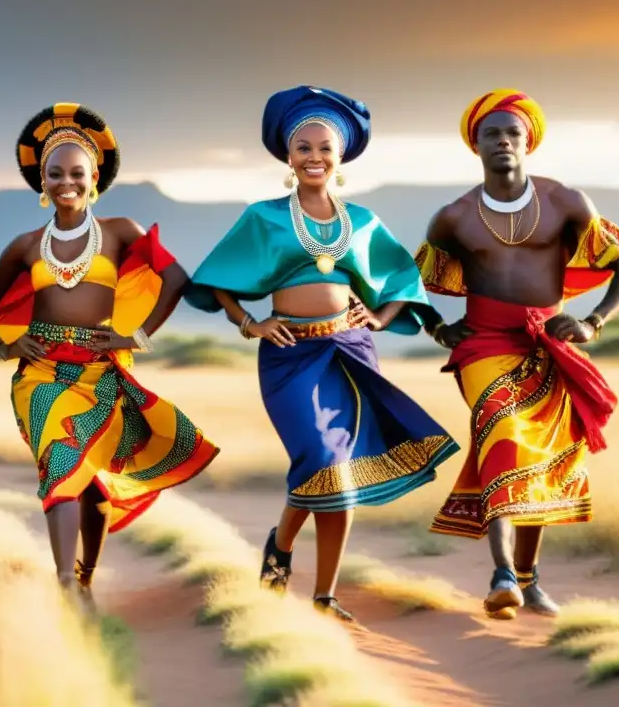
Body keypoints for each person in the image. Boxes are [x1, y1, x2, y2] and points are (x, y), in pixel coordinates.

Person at [183, 86, 461, 622]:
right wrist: (250, 323)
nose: (314, 157)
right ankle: (281, 544)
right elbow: (217, 277)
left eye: (324, 148)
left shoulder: (363, 220)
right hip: (290, 357)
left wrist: (378, 318)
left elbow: (400, 276)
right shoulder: (264, 218)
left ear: (341, 156)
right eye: (303, 147)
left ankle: (325, 596)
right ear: (288, 157)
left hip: (349, 352)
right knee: (320, 459)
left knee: (345, 475)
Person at [0, 102, 219, 613]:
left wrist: (136, 337)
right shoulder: (23, 246)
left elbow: (177, 281)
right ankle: (64, 587)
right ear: (41, 181)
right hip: (39, 375)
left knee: (93, 487)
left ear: (94, 178)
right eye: (55, 173)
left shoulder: (121, 230)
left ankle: (84, 577)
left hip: (103, 373)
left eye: (77, 173)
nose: (67, 182)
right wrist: (5, 345)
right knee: (61, 463)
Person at [415, 88, 619, 620]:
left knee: (536, 454)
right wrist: (434, 325)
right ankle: (500, 572)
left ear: (529, 141)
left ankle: (527, 579)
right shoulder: (452, 217)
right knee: (502, 428)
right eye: (490, 134)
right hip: (483, 343)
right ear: (475, 145)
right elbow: (409, 281)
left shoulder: (565, 200)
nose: (502, 141)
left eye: (511, 132)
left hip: (548, 340)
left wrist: (592, 321)